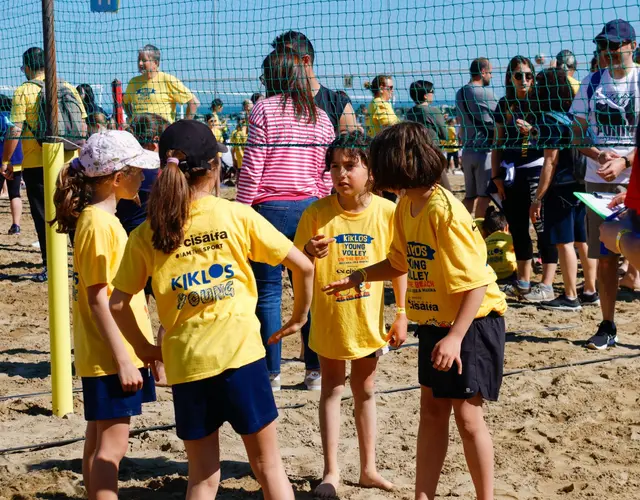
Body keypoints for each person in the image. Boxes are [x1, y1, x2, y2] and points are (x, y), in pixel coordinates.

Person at [109, 120, 313, 500]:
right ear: (215, 167)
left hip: (187, 364)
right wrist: (300, 316)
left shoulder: (147, 232)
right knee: (269, 468)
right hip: (241, 355)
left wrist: (144, 349)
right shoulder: (234, 215)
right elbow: (304, 265)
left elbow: (118, 302)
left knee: (202, 478)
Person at [323, 122, 507, 500]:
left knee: (469, 418)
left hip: (473, 322)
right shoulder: (406, 204)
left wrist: (456, 337)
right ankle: (424, 495)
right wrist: (359, 275)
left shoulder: (445, 212)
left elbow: (476, 283)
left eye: (377, 163)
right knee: (432, 410)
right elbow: (398, 262)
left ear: (397, 165)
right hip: (437, 322)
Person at [281, 132, 407, 497]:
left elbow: (399, 266)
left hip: (368, 318)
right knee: (332, 388)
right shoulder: (316, 213)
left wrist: (401, 313)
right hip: (330, 317)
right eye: (335, 166)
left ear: (370, 170)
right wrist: (307, 251)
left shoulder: (387, 211)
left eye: (350, 166)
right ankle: (331, 471)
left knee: (365, 389)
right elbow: (297, 266)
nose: (341, 173)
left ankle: (368, 468)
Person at [50, 130, 159, 499]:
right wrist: (125, 360)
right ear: (116, 178)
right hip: (111, 356)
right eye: (137, 170)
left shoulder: (100, 220)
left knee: (98, 441)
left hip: (108, 354)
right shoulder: (98, 224)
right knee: (112, 450)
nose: (143, 177)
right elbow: (98, 299)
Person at [236, 47, 335, 391]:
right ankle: (314, 372)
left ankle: (271, 373)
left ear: (271, 78)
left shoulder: (264, 109)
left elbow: (253, 165)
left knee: (267, 293)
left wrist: (242, 209)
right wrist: (324, 206)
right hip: (311, 208)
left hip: (270, 209)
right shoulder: (320, 116)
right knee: (308, 291)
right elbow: (327, 171)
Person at [571, 19, 640, 349]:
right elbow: (577, 135)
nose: (608, 52)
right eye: (602, 47)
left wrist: (625, 161)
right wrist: (600, 156)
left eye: (614, 46)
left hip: (635, 181)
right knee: (605, 256)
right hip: (598, 183)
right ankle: (608, 325)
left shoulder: (639, 80)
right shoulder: (591, 81)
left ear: (632, 46)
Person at [0, 47, 87, 282]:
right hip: (70, 161)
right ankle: (84, 265)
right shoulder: (67, 86)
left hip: (38, 163)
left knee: (44, 216)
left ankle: (51, 267)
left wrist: (7, 161)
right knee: (74, 212)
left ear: (27, 67)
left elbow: (15, 129)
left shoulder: (24, 90)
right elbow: (84, 126)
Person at [529, 68, 598, 311]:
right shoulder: (572, 116)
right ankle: (590, 290)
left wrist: (538, 197)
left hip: (561, 187)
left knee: (564, 242)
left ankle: (570, 297)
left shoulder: (548, 118)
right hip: (582, 183)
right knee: (583, 240)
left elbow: (550, 161)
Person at [492, 55, 558, 302]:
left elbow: (552, 137)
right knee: (518, 229)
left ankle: (548, 285)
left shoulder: (540, 101)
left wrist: (533, 131)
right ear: (510, 77)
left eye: (528, 75)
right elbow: (497, 143)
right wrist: (496, 175)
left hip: (535, 171)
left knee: (542, 229)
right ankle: (523, 283)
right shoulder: (504, 104)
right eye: (518, 75)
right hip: (510, 173)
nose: (524, 80)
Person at [271, 31, 360, 133]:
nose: (279, 66)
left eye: (286, 60)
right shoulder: (273, 105)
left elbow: (350, 147)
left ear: (305, 61)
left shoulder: (340, 107)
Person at [455, 57, 498, 218]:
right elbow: (502, 116)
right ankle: (478, 233)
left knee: (469, 197)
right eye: (490, 73)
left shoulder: (460, 93)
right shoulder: (485, 93)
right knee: (484, 197)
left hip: (467, 151)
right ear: (483, 72)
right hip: (483, 152)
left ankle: (461, 228)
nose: (491, 76)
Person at [123, 44, 199, 123]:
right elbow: (125, 102)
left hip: (162, 133)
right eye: (139, 60)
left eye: (144, 60)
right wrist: (132, 118)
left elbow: (193, 103)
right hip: (138, 133)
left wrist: (185, 125)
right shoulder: (133, 82)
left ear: (155, 63)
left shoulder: (168, 80)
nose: (140, 64)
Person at [0, 95, 23, 235]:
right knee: (15, 194)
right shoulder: (16, 119)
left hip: (2, 160)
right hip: (17, 160)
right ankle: (16, 225)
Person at [405, 80, 448, 144]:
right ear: (425, 96)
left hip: (413, 150)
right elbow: (445, 136)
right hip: (431, 151)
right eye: (432, 91)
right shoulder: (434, 111)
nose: (433, 94)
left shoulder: (409, 113)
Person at [483, 206, 517, 281]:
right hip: (509, 274)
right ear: (506, 227)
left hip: (491, 275)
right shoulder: (510, 238)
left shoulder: (484, 241)